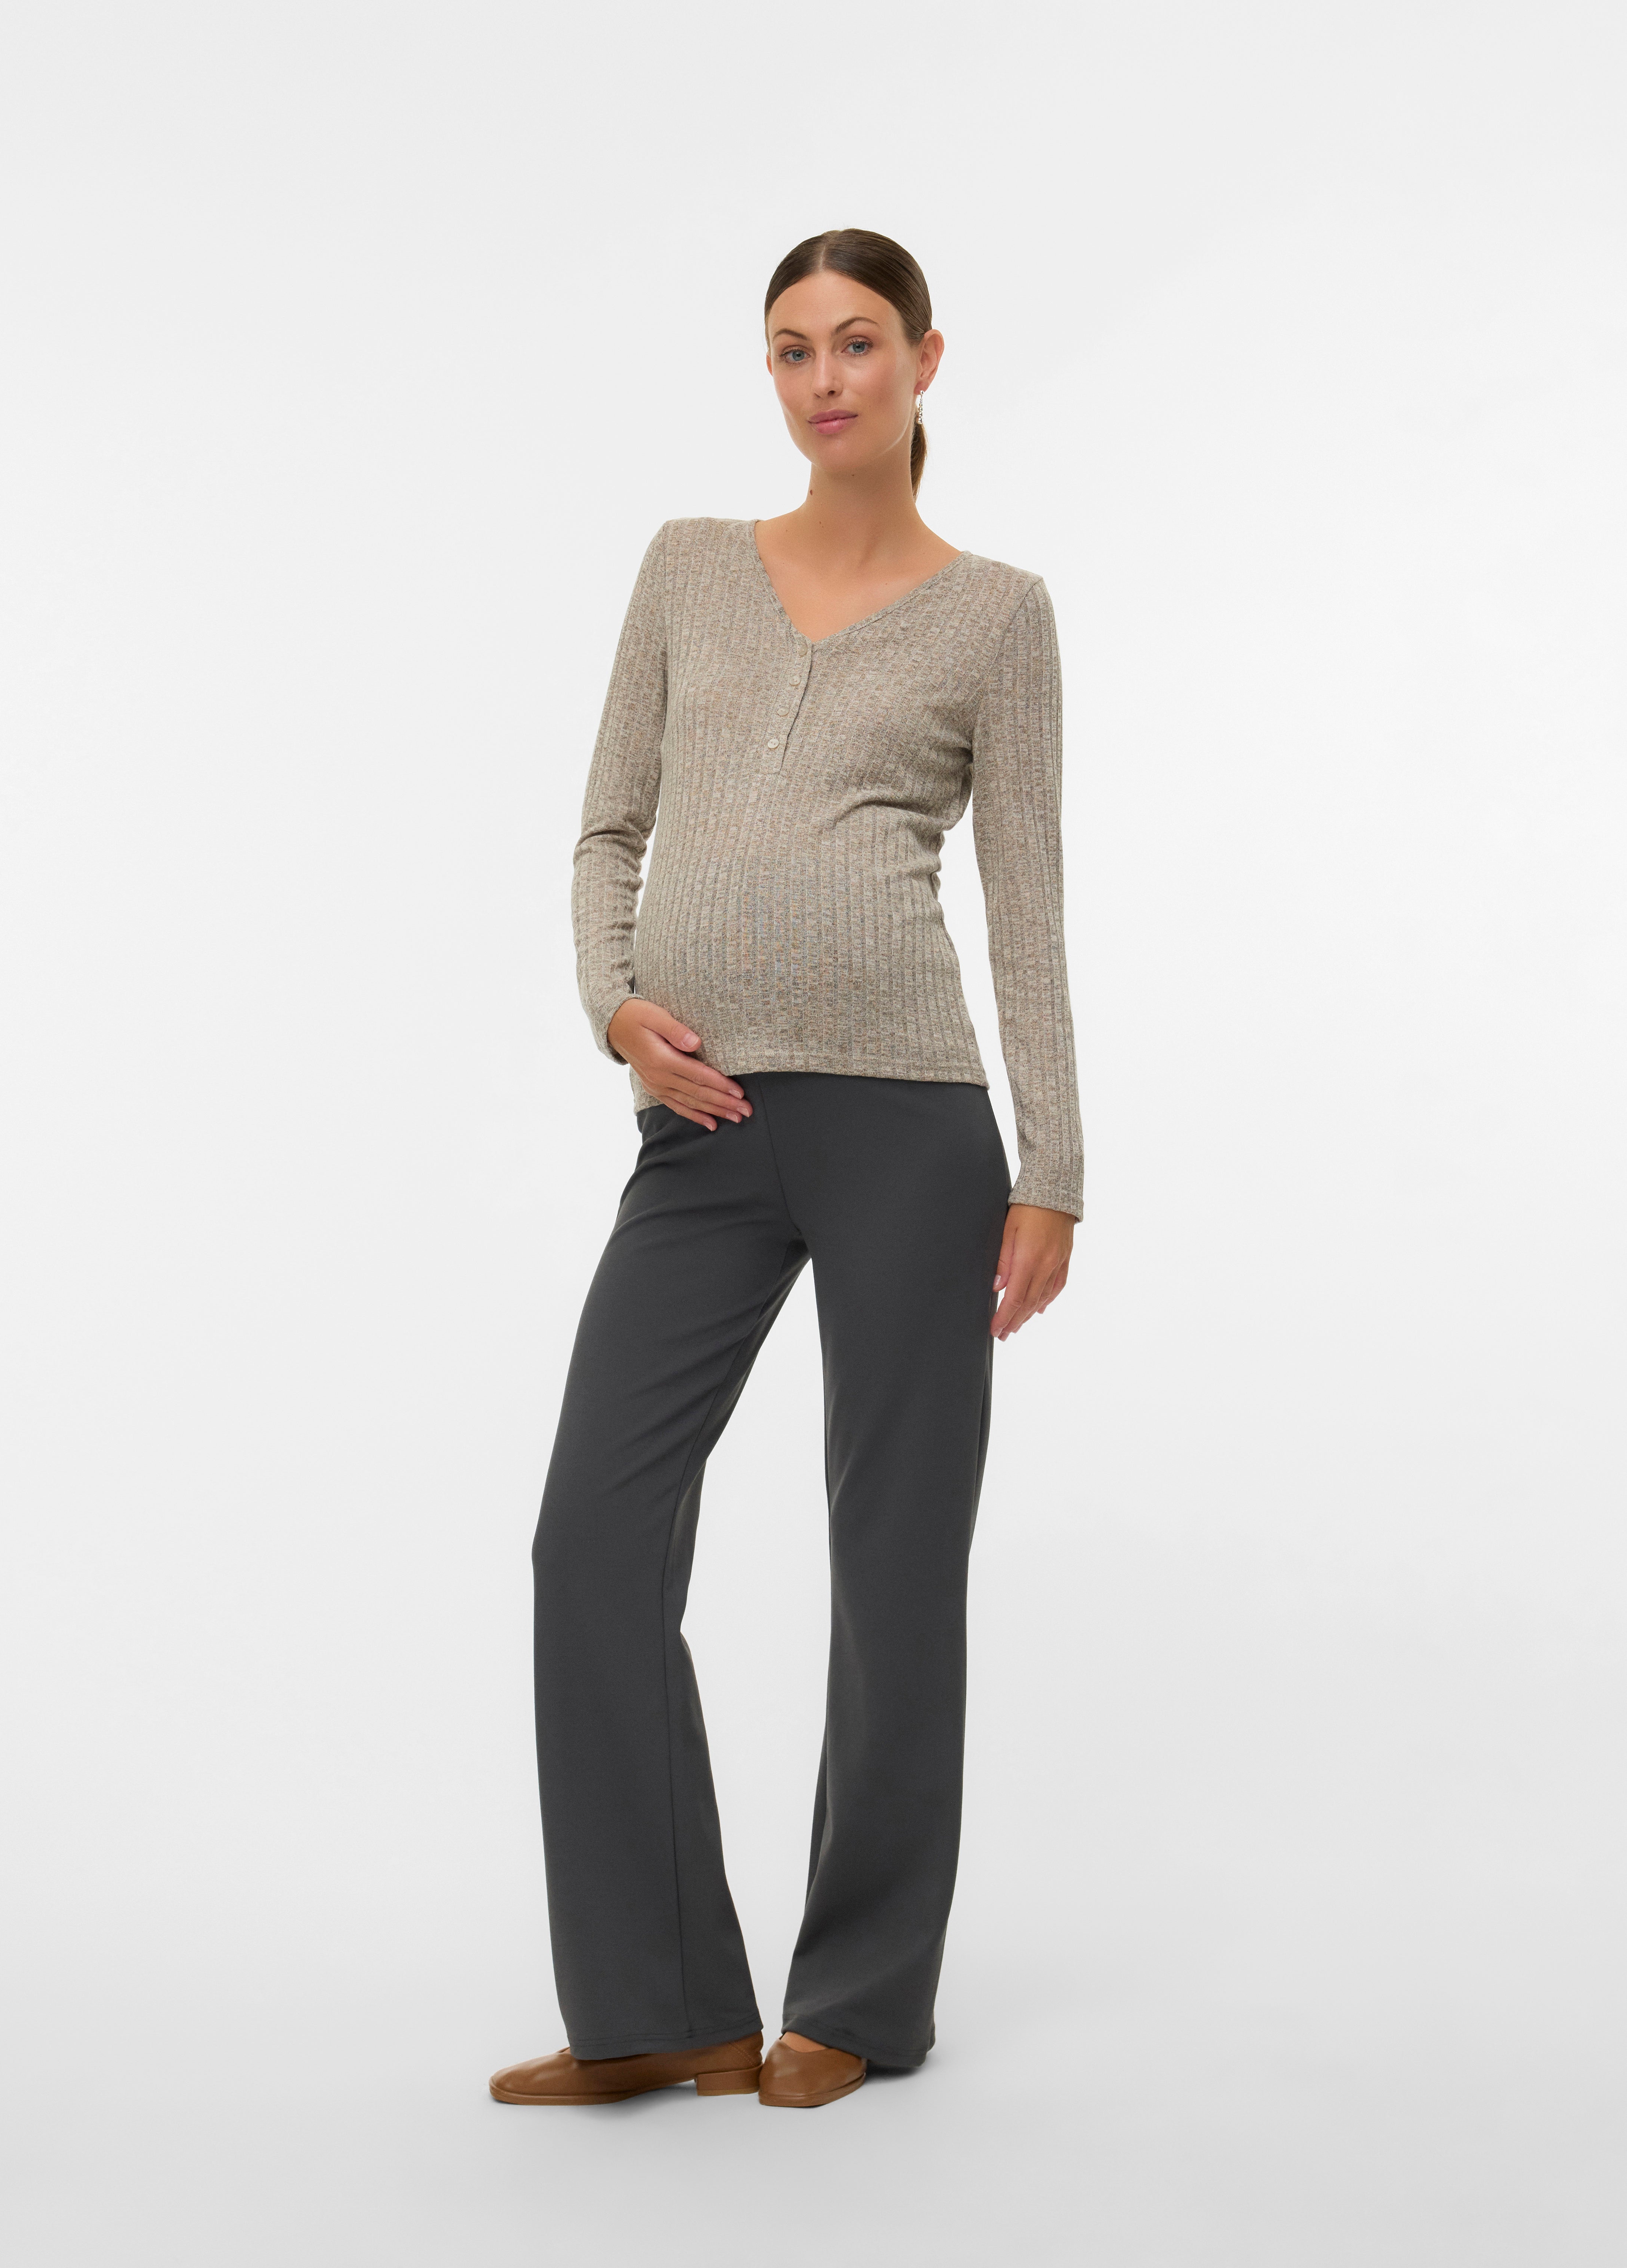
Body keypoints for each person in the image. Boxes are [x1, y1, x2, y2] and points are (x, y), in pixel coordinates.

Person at [490, 228, 1083, 2113]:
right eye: (791, 350)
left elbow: (1026, 906)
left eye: (856, 344)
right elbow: (607, 829)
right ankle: (659, 2001)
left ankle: (863, 1998)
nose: (824, 379)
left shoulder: (997, 614)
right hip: (701, 1127)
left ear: (923, 361)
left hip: (912, 1128)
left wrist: (1054, 1170)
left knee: (892, 1563)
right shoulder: (687, 568)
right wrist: (613, 1008)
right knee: (591, 1538)